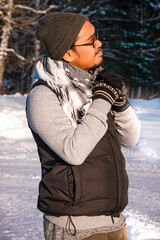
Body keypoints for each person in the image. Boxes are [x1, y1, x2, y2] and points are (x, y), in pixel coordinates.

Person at [26, 12, 141, 240]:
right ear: (68, 53)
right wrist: (103, 100)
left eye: (96, 36)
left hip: (114, 221)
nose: (99, 43)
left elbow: (131, 138)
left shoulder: (94, 86)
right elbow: (74, 151)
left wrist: (119, 103)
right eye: (91, 40)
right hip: (74, 227)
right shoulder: (44, 94)